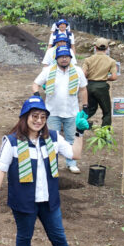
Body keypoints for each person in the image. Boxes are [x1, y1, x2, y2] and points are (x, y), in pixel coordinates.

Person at [0, 96, 98, 246]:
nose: (38, 120)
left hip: (49, 201)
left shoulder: (53, 138)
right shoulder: (11, 142)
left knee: (59, 237)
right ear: (25, 116)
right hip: (24, 200)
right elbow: (1, 168)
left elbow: (75, 155)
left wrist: (79, 132)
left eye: (43, 117)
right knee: (24, 236)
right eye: (34, 116)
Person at [32, 46, 88, 174]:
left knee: (71, 138)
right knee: (51, 139)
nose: (64, 59)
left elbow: (84, 88)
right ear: (56, 58)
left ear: (70, 58)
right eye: (61, 57)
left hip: (72, 112)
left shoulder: (78, 71)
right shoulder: (48, 71)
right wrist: (37, 97)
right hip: (52, 112)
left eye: (66, 56)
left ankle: (71, 163)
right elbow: (35, 84)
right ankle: (52, 164)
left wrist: (85, 106)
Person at [82, 38, 118, 127]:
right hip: (102, 87)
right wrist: (105, 77)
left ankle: (77, 123)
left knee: (90, 109)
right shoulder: (111, 61)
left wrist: (91, 76)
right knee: (106, 112)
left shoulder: (88, 60)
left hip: (89, 86)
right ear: (107, 48)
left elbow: (83, 74)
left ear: (95, 47)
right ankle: (104, 135)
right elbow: (114, 77)